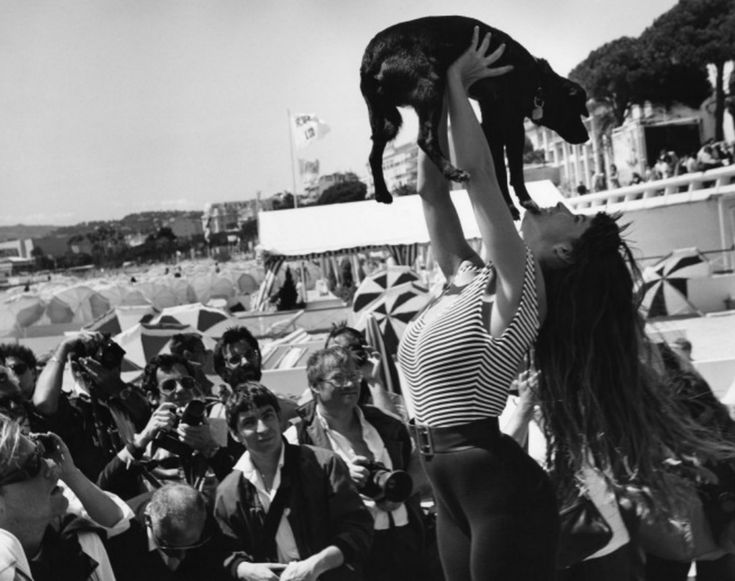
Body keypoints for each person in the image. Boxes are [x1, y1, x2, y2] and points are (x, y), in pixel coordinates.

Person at [396, 28, 733, 581]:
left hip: (490, 483)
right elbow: (432, 193)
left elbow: (478, 175)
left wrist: (457, 79)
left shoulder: (522, 281)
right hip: (450, 479)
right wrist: (431, 102)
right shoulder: (473, 277)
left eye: (569, 216)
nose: (556, 204)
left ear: (564, 251)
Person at [285, 347, 426, 581]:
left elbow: (420, 461)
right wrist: (339, 478)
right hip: (348, 554)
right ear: (315, 387)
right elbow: (288, 499)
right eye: (339, 378)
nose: (349, 384)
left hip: (405, 541)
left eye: (353, 376)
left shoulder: (386, 423)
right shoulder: (297, 437)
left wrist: (401, 492)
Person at [214, 382, 373, 581]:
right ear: (234, 434)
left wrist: (315, 565)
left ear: (279, 419)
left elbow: (358, 529)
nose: (262, 428)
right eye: (249, 423)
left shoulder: (324, 465)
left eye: (267, 416)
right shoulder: (228, 492)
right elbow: (225, 551)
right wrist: (245, 569)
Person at [0, 414, 133, 581]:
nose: (53, 467)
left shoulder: (78, 539)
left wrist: (71, 473)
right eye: (33, 464)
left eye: (41, 451)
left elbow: (118, 522)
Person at [97, 354, 234, 499]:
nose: (180, 390)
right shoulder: (146, 446)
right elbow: (104, 487)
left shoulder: (217, 425)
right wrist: (141, 441)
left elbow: (240, 485)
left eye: (186, 382)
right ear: (152, 397)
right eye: (169, 386)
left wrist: (211, 449)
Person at [32, 332, 150, 480]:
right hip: (100, 497)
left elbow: (145, 411)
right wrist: (64, 348)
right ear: (77, 368)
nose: (114, 368)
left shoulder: (124, 397)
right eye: (106, 362)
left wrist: (115, 387)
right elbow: (43, 402)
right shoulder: (72, 407)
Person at [106, 483, 230, 581]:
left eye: (192, 545)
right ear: (149, 519)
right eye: (170, 547)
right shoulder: (122, 538)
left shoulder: (207, 515)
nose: (182, 556)